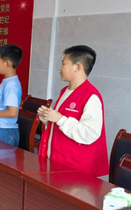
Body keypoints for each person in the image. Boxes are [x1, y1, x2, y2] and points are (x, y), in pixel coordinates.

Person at [38, 45, 108, 177]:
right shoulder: (65, 91)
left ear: (77, 67)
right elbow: (61, 123)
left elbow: (91, 133)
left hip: (75, 167)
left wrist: (60, 119)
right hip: (58, 160)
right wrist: (47, 117)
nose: (60, 68)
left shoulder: (90, 96)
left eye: (64, 63)